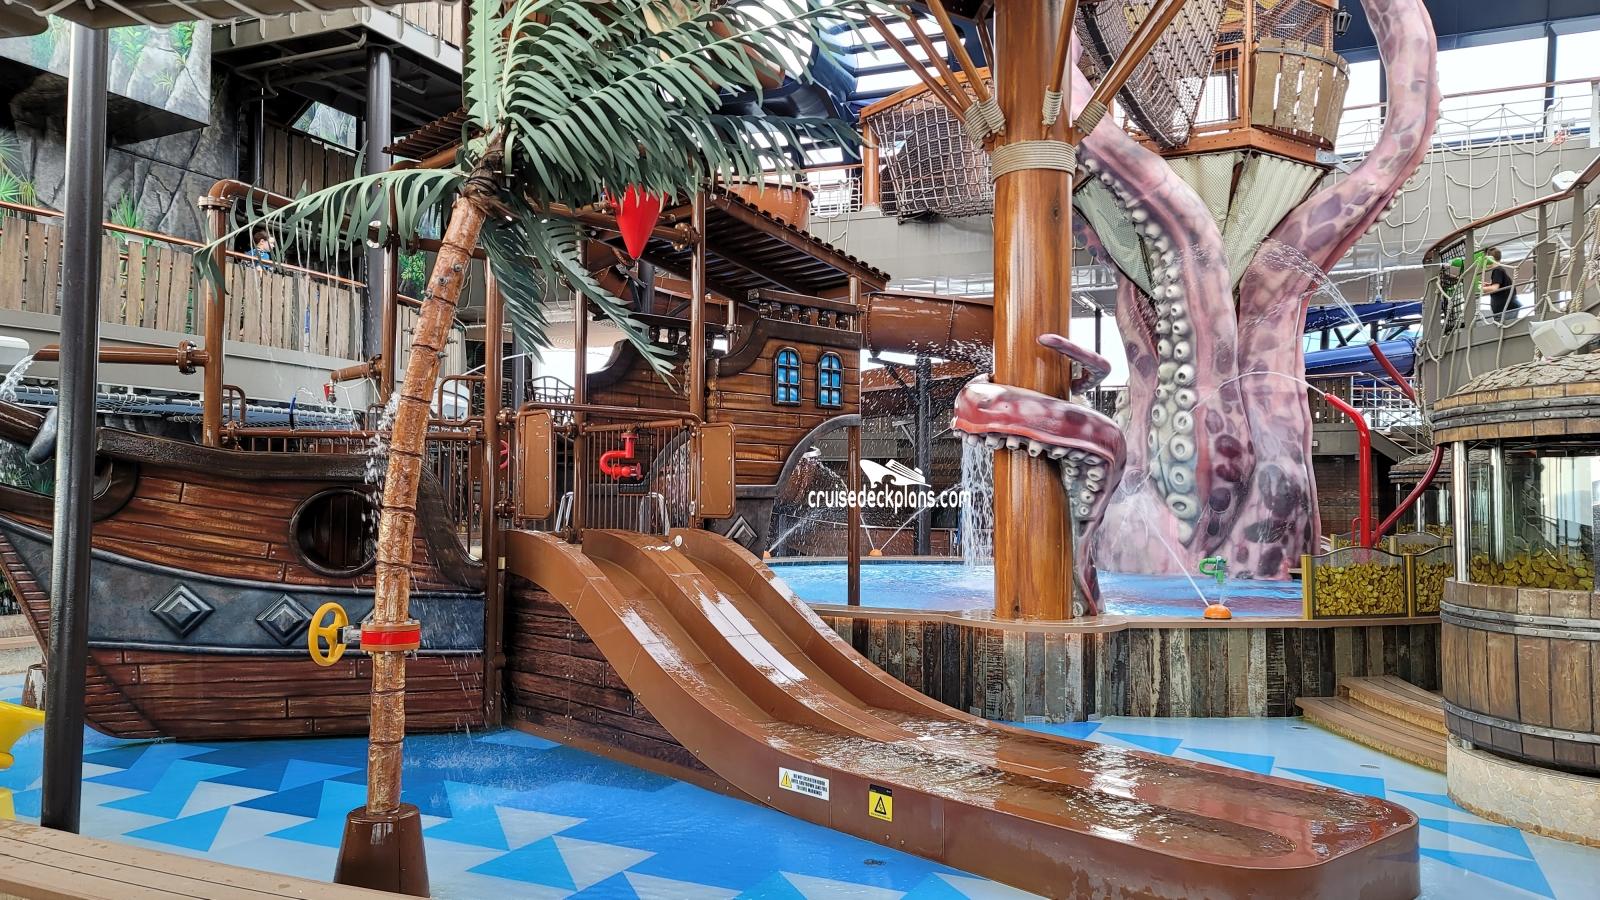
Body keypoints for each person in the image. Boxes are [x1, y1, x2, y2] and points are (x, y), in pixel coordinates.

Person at [1481, 247, 1518, 321]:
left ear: (1490, 259)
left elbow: (1494, 288)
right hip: (1508, 308)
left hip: (1505, 310)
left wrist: (1480, 289)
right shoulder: (1499, 270)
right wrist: (1489, 285)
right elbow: (1500, 285)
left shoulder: (1497, 271)